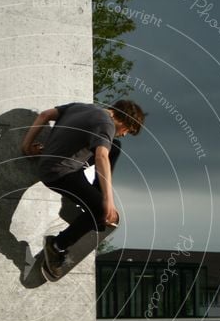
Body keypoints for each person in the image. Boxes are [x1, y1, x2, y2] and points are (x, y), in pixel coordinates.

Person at [20, 100, 145, 280]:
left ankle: (94, 200)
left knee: (115, 147)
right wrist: (108, 202)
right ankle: (56, 246)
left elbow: (45, 115)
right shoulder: (106, 124)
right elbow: (101, 157)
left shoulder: (82, 107)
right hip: (58, 174)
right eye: (128, 131)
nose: (124, 134)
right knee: (101, 211)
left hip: (64, 165)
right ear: (126, 122)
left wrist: (26, 146)